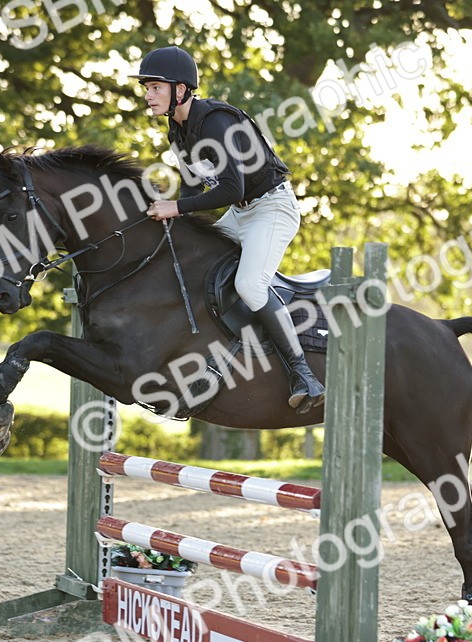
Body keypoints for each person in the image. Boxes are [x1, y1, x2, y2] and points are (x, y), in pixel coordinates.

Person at [129, 46, 325, 413]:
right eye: (147, 87)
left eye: (155, 87)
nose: (148, 94)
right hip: (240, 211)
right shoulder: (178, 131)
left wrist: (177, 207)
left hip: (272, 208)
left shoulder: (215, 122)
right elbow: (193, 188)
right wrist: (172, 217)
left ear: (181, 90)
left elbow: (231, 188)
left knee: (250, 285)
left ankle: (304, 374)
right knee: (192, 265)